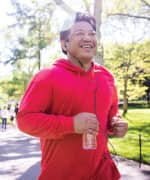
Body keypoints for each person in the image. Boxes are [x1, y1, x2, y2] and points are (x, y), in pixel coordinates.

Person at [17, 12, 128, 180]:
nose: (88, 38)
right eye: (79, 33)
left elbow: (112, 114)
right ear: (65, 44)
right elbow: (25, 120)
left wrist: (116, 124)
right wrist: (71, 124)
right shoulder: (47, 76)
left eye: (91, 34)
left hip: (104, 173)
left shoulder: (107, 77)